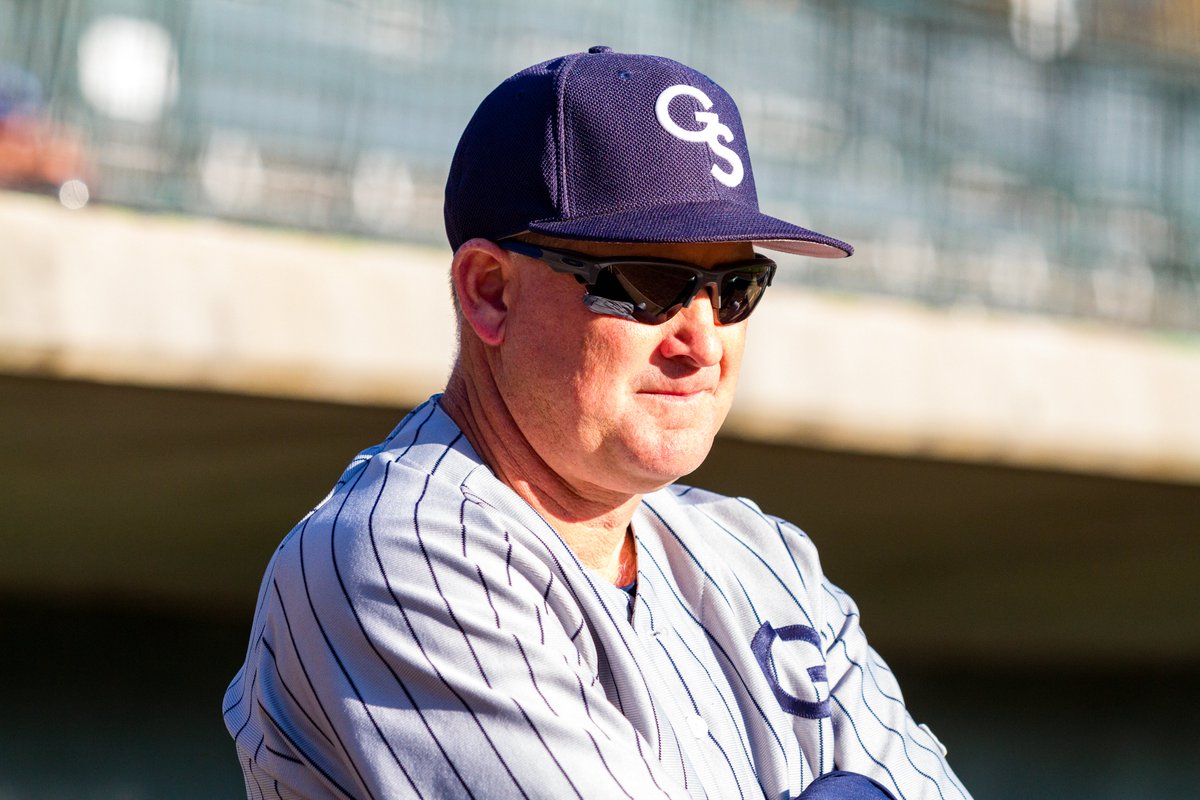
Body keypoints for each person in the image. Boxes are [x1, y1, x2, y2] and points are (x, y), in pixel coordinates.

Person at [223, 46, 972, 800]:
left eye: (736, 287)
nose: (703, 342)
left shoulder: (767, 562)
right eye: (649, 285)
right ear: (491, 293)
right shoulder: (399, 553)